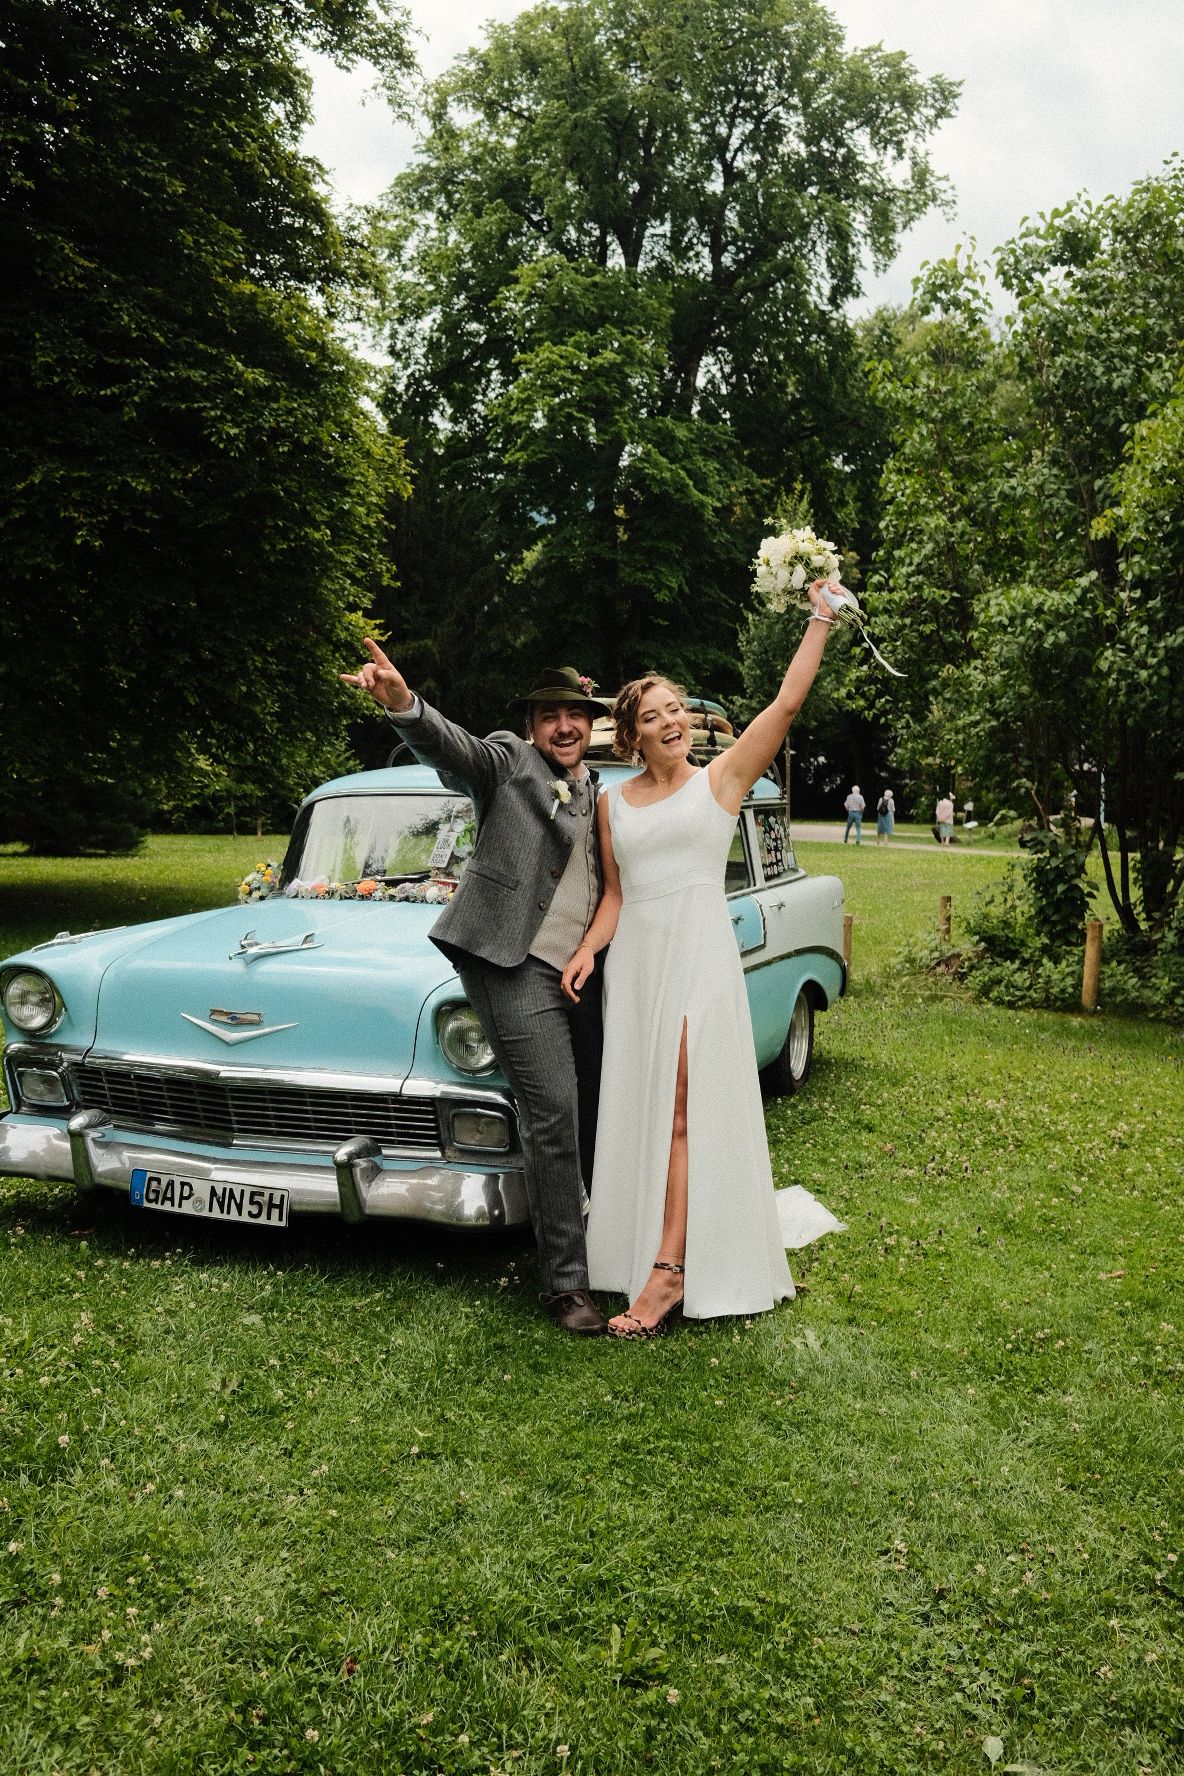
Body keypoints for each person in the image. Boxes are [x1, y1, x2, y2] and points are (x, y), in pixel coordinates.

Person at [560, 584, 844, 1335]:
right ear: (632, 737)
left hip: (699, 958)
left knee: (685, 1107)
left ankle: (669, 1275)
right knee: (643, 1107)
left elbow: (784, 705)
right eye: (654, 716)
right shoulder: (611, 804)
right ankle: (645, 1245)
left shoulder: (720, 781)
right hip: (638, 965)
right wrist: (590, 949)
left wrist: (820, 617)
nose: (672, 721)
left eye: (677, 709)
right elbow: (616, 894)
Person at [342, 642, 613, 1337]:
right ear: (531, 726)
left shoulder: (594, 789)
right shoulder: (508, 763)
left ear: (590, 726)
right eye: (549, 716)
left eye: (574, 716)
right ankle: (565, 1286)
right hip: (508, 962)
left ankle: (597, 1234)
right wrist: (403, 704)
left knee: (591, 1106)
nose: (563, 727)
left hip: (578, 970)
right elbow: (450, 747)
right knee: (554, 1109)